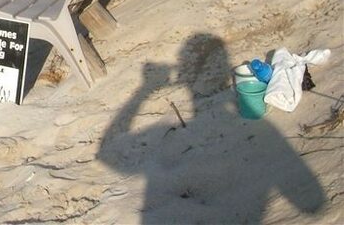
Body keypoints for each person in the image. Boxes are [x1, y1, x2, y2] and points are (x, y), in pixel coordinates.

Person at [97, 33, 326, 223]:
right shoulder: (271, 132)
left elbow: (107, 155)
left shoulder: (266, 132)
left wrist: (144, 90)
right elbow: (312, 202)